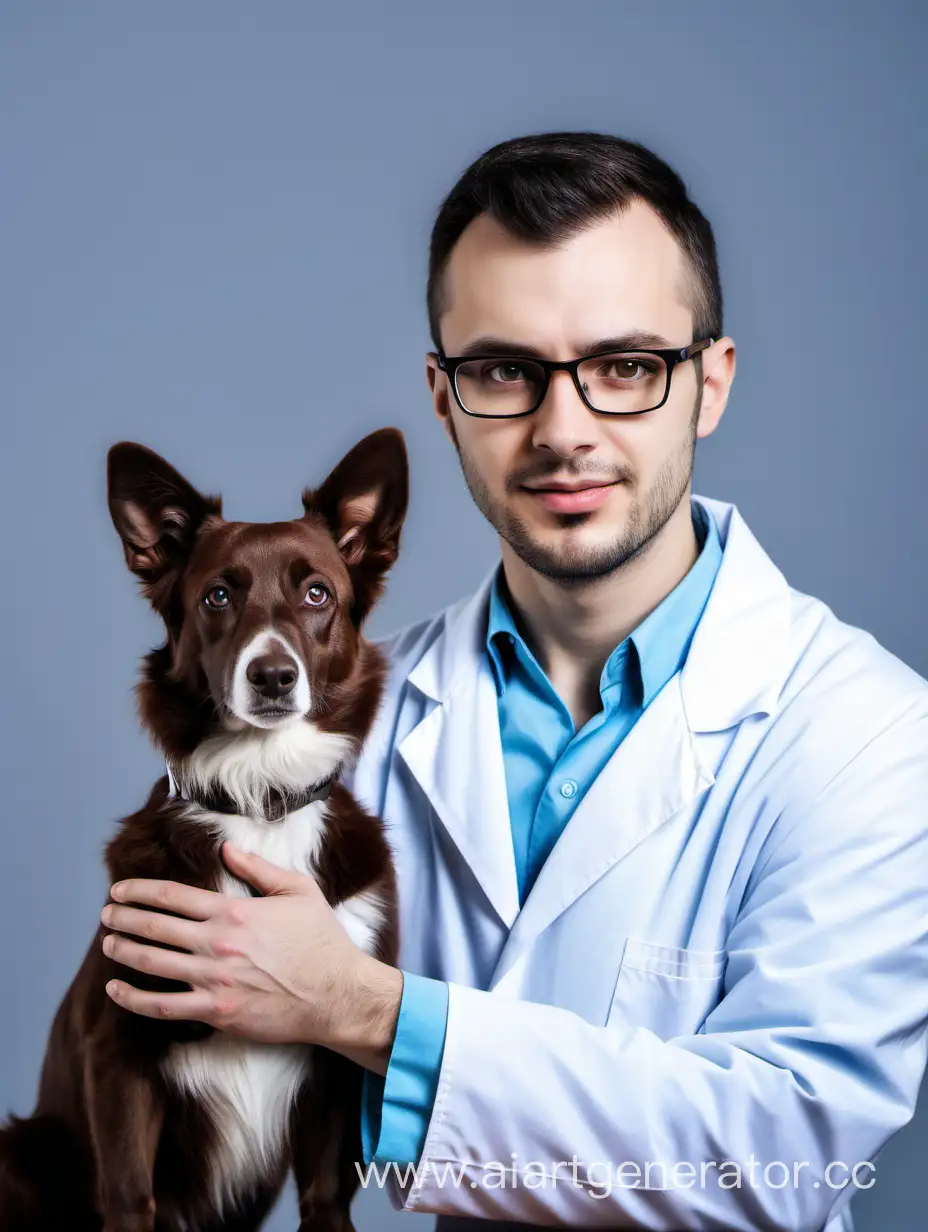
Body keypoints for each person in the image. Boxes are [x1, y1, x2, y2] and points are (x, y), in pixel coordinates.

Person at [99, 132, 928, 1231]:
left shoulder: (871, 733)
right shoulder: (337, 721)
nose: (563, 429)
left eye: (626, 366)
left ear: (710, 383)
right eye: (504, 370)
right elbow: (184, 1057)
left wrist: (366, 1009)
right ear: (443, 397)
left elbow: (784, 1152)